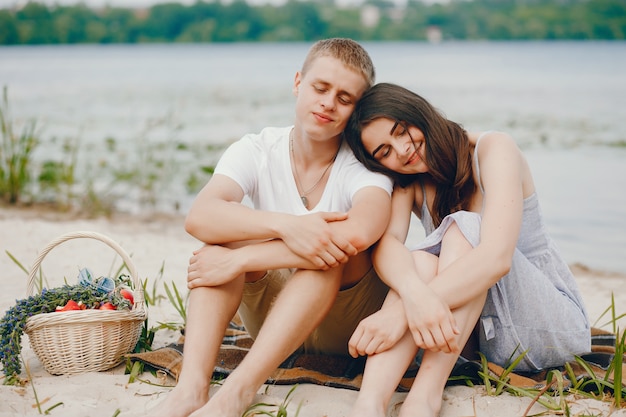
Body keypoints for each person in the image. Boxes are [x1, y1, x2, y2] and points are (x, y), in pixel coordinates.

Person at [150, 39, 393, 417]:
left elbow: (360, 231)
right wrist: (287, 225)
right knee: (220, 246)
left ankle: (237, 393)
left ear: (357, 110)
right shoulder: (257, 148)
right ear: (298, 82)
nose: (329, 102)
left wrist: (246, 257)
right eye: (320, 88)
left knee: (325, 256)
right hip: (275, 321)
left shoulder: (364, 166)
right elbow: (200, 216)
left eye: (344, 98)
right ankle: (191, 391)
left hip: (347, 328)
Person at [342, 82, 590, 417]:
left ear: (419, 111)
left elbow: (496, 260)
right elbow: (387, 246)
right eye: (384, 152)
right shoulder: (410, 181)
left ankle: (423, 399)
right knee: (416, 264)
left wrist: (398, 314)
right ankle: (369, 404)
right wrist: (414, 293)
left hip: (548, 328)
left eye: (402, 131)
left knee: (465, 228)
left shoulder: (493, 148)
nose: (401, 150)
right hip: (475, 338)